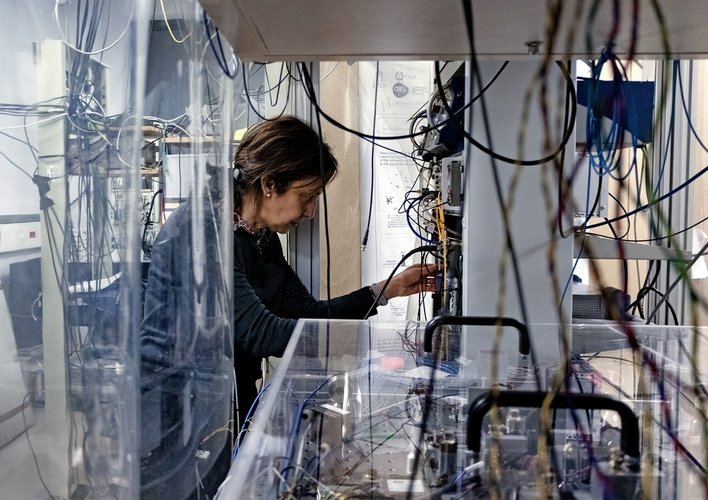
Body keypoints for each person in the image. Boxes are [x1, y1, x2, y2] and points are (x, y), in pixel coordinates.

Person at [140, 115, 437, 499]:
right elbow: (265, 333)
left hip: (222, 396)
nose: (310, 211)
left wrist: (385, 291)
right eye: (306, 196)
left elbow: (306, 315)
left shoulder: (258, 237)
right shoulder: (202, 231)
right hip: (176, 408)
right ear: (269, 184)